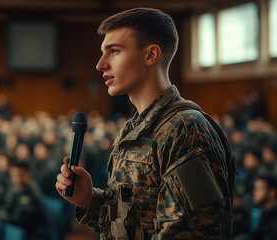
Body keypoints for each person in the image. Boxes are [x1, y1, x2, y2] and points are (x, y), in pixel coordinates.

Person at [55, 8, 236, 239]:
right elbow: (132, 223)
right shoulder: (135, 127)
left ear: (150, 55)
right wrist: (88, 199)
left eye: (114, 51)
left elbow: (196, 232)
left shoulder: (185, 129)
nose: (100, 64)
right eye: (103, 52)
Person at [251, 175, 277, 240]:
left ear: (272, 192)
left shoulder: (274, 215)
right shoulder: (265, 212)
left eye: (259, 189)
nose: (255, 192)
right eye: (255, 188)